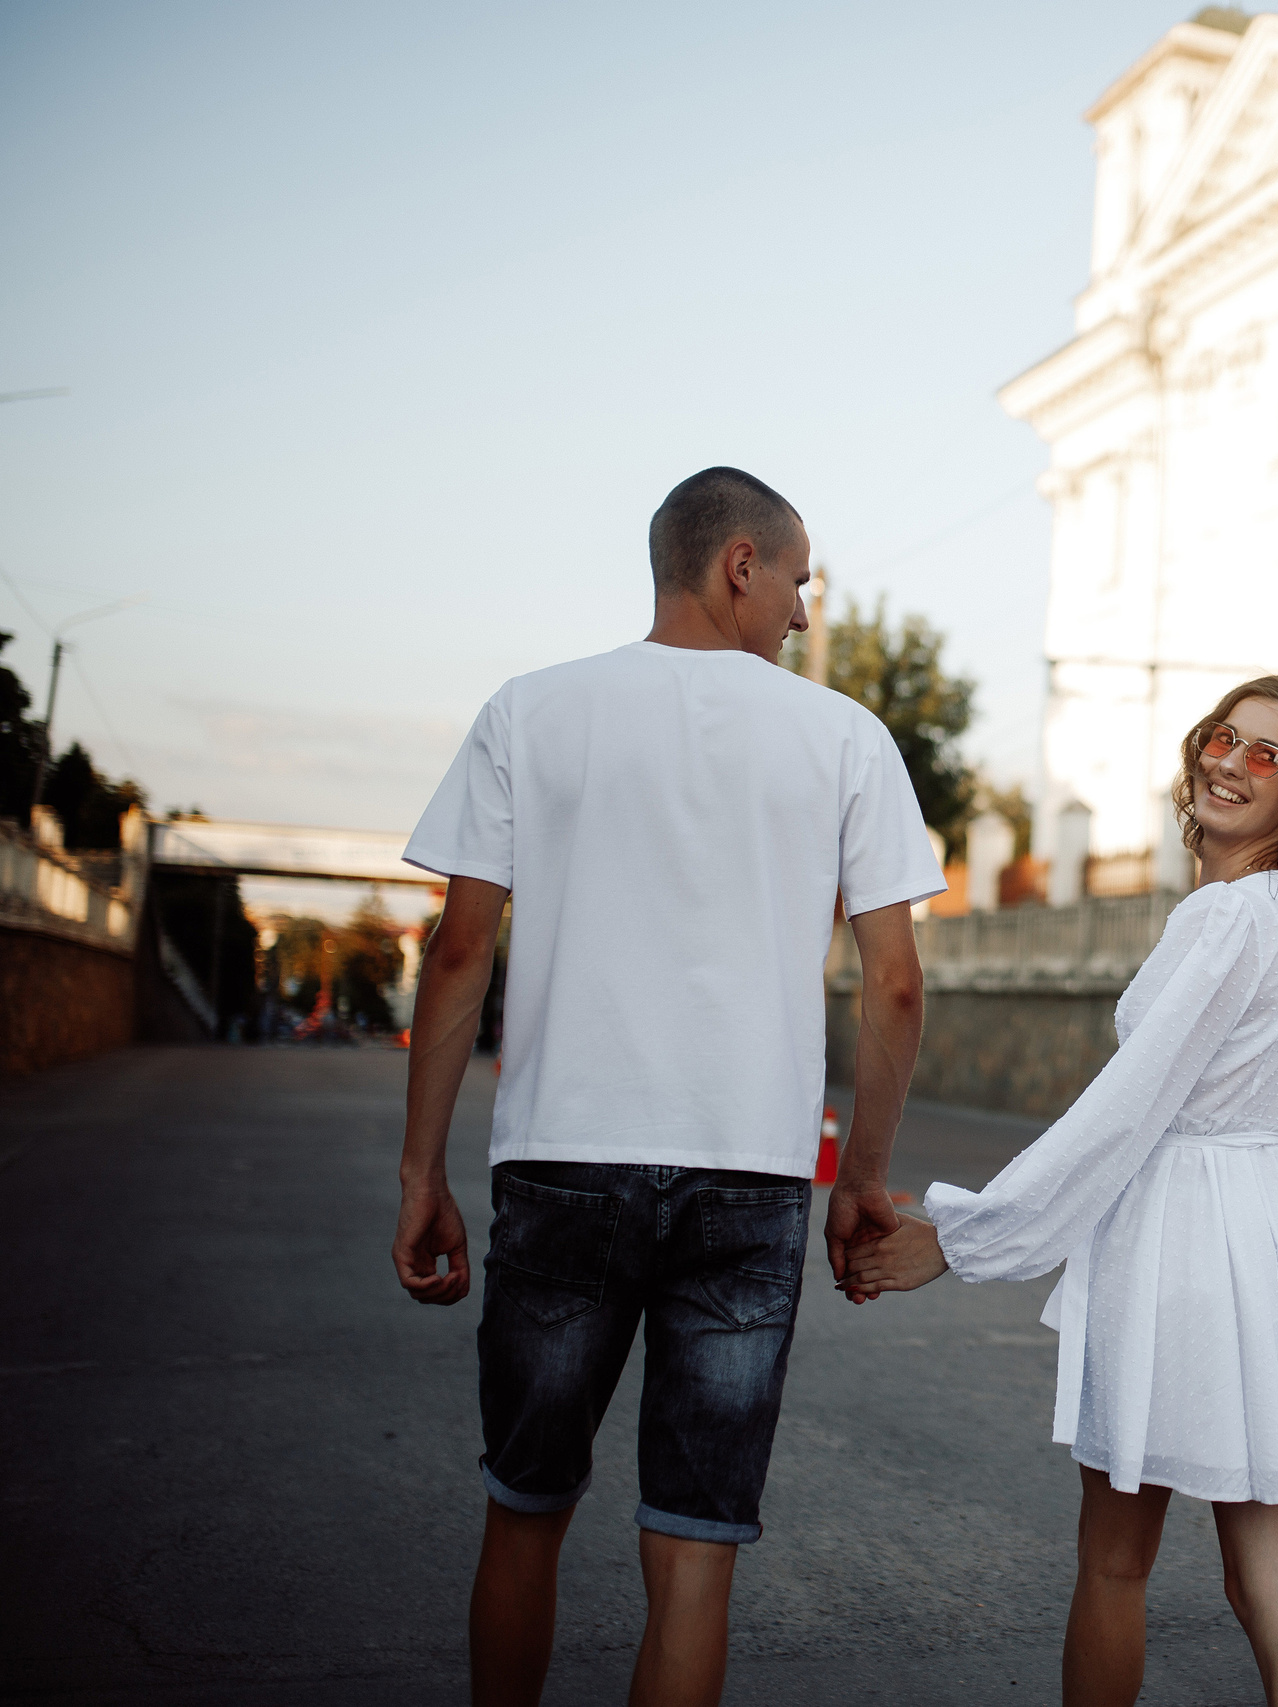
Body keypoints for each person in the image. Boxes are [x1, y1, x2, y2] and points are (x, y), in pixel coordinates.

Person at [389, 466, 946, 1707]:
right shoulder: (845, 737)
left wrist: (423, 1174)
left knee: (524, 1512)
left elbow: (461, 950)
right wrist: (860, 1183)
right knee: (694, 1555)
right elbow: (896, 985)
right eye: (798, 579)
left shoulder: (530, 713)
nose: (804, 612)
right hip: (748, 1181)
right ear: (738, 564)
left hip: (559, 1162)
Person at [849, 675, 1278, 1707]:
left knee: (1115, 1564)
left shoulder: (1231, 920)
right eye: (1223, 738)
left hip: (1182, 1257)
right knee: (1272, 1587)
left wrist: (965, 1238)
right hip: (1254, 1248)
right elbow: (1264, 1120)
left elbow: (1126, 1111)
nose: (1229, 762)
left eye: (1265, 755)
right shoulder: (1277, 919)